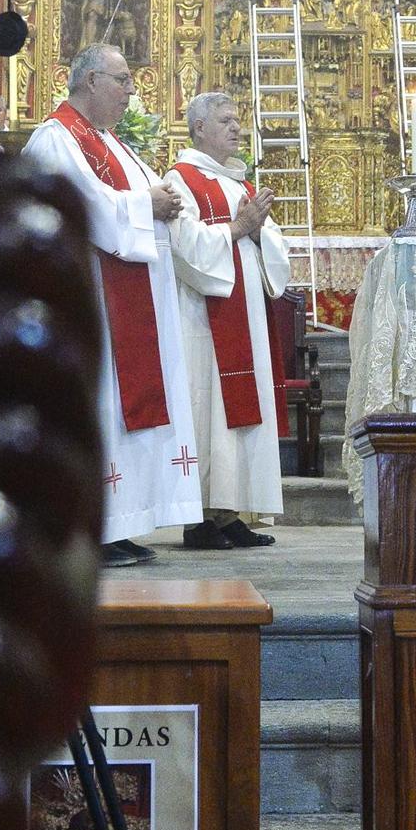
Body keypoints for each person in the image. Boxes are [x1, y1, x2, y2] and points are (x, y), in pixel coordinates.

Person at [26, 45, 204, 565]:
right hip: (90, 301)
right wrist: (145, 205)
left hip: (130, 297)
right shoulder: (55, 139)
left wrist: (165, 204)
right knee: (100, 402)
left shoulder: (109, 143)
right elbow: (78, 207)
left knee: (124, 408)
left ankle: (119, 522)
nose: (132, 91)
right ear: (90, 82)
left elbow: (149, 197)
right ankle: (91, 527)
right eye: (124, 80)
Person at [166, 91, 292, 549]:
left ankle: (229, 512)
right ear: (199, 127)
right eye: (226, 120)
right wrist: (237, 230)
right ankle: (199, 517)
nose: (238, 127)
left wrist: (257, 234)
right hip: (203, 321)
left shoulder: (238, 184)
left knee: (239, 412)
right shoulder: (179, 180)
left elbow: (274, 249)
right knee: (207, 410)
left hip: (245, 318)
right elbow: (183, 248)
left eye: (238, 119)